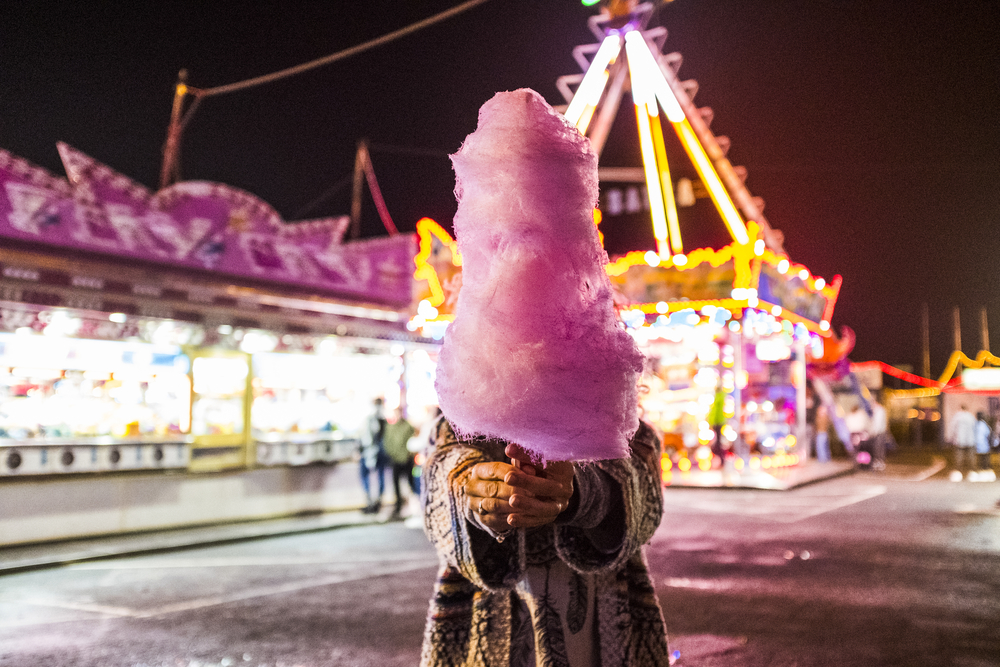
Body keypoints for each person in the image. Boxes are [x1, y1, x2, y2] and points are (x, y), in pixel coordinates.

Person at [420, 417, 670, 666]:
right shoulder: (452, 428)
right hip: (483, 621)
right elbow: (442, 477)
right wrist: (475, 495)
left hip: (604, 624)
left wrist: (579, 492)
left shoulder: (625, 426)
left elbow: (639, 485)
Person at [382, 406, 418, 519]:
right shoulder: (390, 427)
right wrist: (393, 455)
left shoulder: (408, 426)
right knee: (396, 485)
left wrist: (408, 455)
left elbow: (413, 440)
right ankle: (398, 506)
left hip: (407, 460)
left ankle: (415, 505)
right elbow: (387, 443)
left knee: (410, 483)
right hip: (395, 460)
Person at [358, 397, 388, 514]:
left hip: (374, 452)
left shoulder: (376, 420)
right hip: (373, 452)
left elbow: (368, 438)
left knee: (372, 476)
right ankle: (373, 501)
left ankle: (374, 501)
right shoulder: (376, 419)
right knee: (372, 476)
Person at [946, 404, 976, 481]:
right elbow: (974, 427)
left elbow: (952, 428)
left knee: (959, 457)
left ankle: (958, 473)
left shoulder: (957, 416)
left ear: (960, 408)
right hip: (970, 440)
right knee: (970, 457)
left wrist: (950, 438)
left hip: (959, 439)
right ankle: (971, 472)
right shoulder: (970, 416)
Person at [972, 412, 995, 482]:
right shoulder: (984, 425)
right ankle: (984, 473)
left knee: (979, 461)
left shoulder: (975, 425)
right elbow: (988, 434)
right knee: (984, 461)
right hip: (984, 446)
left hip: (977, 446)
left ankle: (980, 473)